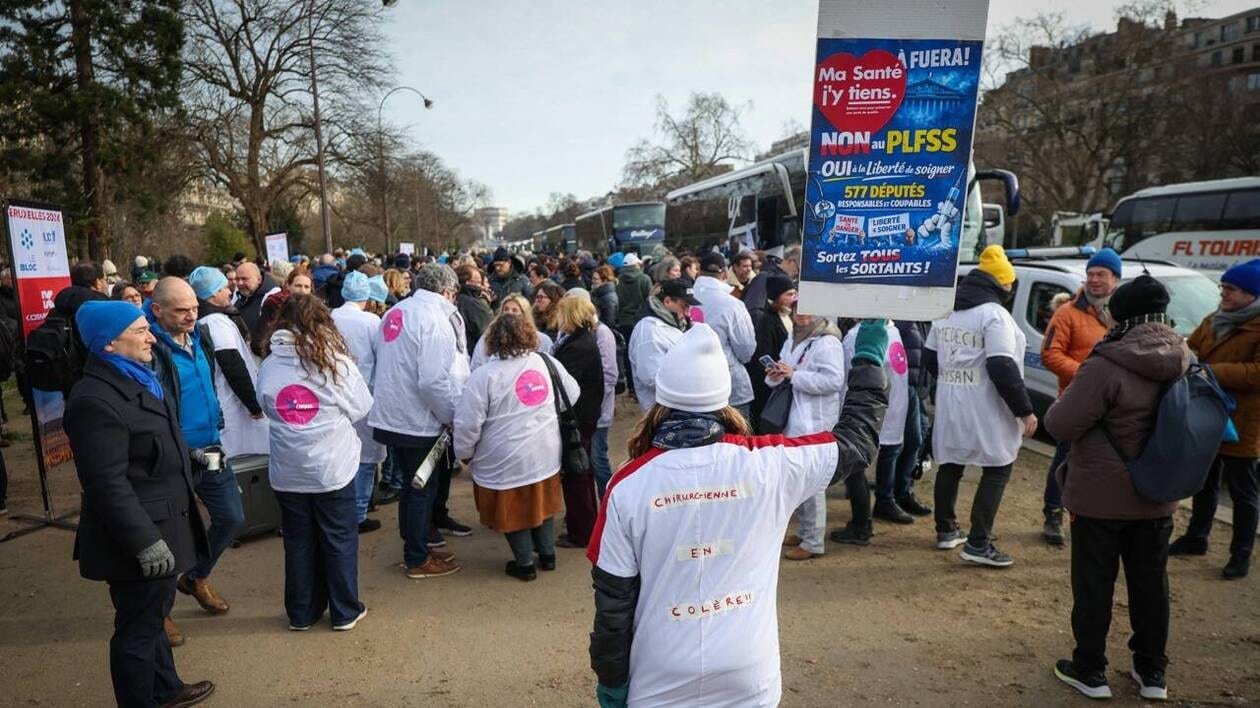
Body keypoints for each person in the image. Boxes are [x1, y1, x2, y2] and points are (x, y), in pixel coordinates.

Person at [586, 322, 887, 707]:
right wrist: (867, 360)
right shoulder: (770, 465)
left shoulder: (626, 486)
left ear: (661, 401)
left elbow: (613, 602)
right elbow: (857, 441)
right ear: (724, 401)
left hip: (658, 674)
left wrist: (611, 680)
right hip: (750, 673)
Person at [65, 300, 215, 708]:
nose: (151, 336)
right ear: (108, 344)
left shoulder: (138, 378)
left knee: (154, 615)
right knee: (137, 629)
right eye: (139, 330)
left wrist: (189, 455)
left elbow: (152, 438)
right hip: (139, 539)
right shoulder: (94, 400)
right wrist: (144, 542)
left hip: (165, 523)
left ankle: (165, 689)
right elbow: (106, 484)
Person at [1045, 275, 1185, 701]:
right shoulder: (1182, 355)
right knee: (1151, 585)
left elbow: (1059, 424)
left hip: (1100, 499)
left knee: (1094, 584)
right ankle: (1152, 673)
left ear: (1119, 314)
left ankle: (1090, 670)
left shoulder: (1107, 363)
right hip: (1158, 492)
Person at [258, 295, 372, 631]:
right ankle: (344, 610)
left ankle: (302, 612)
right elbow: (362, 406)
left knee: (297, 541)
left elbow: (266, 405)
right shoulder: (335, 364)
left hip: (288, 470)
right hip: (331, 468)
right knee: (338, 538)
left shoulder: (269, 364)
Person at [925, 246, 1037, 568]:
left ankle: (946, 529)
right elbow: (1002, 366)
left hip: (951, 401)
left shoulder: (946, 311)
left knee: (951, 461)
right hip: (986, 405)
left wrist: (955, 378)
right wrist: (1024, 410)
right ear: (1003, 285)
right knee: (998, 466)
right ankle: (977, 542)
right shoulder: (994, 316)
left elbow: (932, 360)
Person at [147, 277, 241, 644]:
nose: (190, 316)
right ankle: (162, 611)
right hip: (175, 458)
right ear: (158, 311)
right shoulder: (151, 348)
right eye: (181, 310)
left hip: (211, 449)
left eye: (194, 308)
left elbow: (208, 381)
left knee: (232, 517)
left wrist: (215, 414)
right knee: (171, 535)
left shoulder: (201, 335)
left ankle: (196, 576)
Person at [454, 313, 580, 581]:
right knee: (542, 500)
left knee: (510, 507)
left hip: (502, 456)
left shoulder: (484, 376)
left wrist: (463, 452)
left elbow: (467, 423)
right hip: (545, 450)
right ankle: (548, 555)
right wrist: (542, 413)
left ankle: (524, 563)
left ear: (493, 340)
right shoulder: (545, 362)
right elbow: (572, 392)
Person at [368, 264, 467, 579]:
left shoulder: (397, 311)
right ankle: (416, 557)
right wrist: (451, 416)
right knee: (422, 487)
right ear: (448, 291)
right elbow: (432, 382)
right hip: (418, 420)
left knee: (413, 488)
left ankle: (417, 543)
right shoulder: (435, 319)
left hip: (393, 416)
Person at [1172, 258, 1260, 580]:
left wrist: (1210, 371)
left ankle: (1241, 555)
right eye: (1223, 286)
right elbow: (1192, 347)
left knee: (1243, 492)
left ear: (1251, 294)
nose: (1223, 292)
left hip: (1244, 422)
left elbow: (1257, 373)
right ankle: (1197, 537)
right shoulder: (1214, 319)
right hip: (1208, 414)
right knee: (1204, 482)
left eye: (1231, 289)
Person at [1038, 248, 1122, 546]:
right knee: (1064, 460)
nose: (1094, 280)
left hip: (1114, 407)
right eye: (1090, 274)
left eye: (1101, 274)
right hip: (1075, 401)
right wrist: (1088, 378)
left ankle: (1096, 517)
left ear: (1116, 279)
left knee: (1105, 463)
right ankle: (1053, 513)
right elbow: (1050, 354)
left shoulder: (1121, 314)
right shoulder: (1067, 313)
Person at [767, 310, 847, 560]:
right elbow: (784, 369)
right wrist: (775, 375)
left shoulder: (828, 342)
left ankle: (813, 541)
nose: (801, 315)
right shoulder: (793, 338)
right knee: (797, 479)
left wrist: (795, 376)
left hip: (815, 421)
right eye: (796, 310)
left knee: (813, 483)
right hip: (794, 418)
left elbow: (834, 381)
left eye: (807, 311)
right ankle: (804, 530)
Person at [188, 267, 270, 459]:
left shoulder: (205, 321)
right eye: (224, 287)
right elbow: (232, 365)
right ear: (213, 293)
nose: (229, 291)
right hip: (234, 409)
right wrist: (254, 405)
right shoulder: (216, 322)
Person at [331, 272, 386, 533]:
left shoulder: (330, 318)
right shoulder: (371, 322)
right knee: (366, 456)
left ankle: (343, 508)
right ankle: (359, 511)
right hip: (365, 393)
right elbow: (382, 357)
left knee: (340, 452)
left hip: (333, 395)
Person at [550, 296, 604, 548]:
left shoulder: (578, 346)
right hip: (584, 415)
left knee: (577, 474)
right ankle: (586, 525)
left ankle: (581, 531)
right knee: (582, 471)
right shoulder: (580, 340)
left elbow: (565, 385)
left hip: (578, 417)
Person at [847, 320, 910, 526]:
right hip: (867, 410)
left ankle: (884, 501)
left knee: (889, 453)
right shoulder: (857, 336)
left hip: (891, 406)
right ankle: (862, 521)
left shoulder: (892, 330)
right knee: (856, 463)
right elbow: (847, 374)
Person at [870, 320, 933, 521]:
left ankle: (901, 491)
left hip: (913, 386)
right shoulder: (903, 319)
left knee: (913, 441)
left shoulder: (926, 318)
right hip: (902, 386)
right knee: (894, 444)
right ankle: (886, 498)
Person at [691, 252, 756, 420]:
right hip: (730, 385)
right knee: (738, 442)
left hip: (694, 384)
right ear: (725, 274)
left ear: (699, 272)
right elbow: (746, 349)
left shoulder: (686, 298)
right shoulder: (733, 305)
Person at [628, 279, 697, 412]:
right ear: (667, 302)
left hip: (676, 407)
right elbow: (652, 378)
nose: (688, 313)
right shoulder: (649, 331)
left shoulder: (673, 323)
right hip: (662, 412)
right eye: (684, 306)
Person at [749, 276, 797, 431]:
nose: (793, 298)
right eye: (788, 294)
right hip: (770, 385)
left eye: (794, 293)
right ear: (777, 297)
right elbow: (764, 354)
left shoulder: (789, 316)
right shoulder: (768, 321)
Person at [614, 253, 652, 397]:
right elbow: (650, 301)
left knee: (628, 356)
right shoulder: (644, 279)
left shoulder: (617, 282)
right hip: (641, 321)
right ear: (637, 264)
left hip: (624, 322)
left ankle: (632, 388)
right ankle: (642, 388)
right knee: (642, 355)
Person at [743, 245, 801, 330]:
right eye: (799, 270)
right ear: (791, 261)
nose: (798, 275)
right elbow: (753, 311)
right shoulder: (765, 277)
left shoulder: (771, 275)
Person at [454, 264, 493, 354]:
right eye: (478, 282)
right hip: (472, 353)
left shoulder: (451, 299)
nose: (482, 286)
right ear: (468, 282)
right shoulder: (474, 305)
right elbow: (488, 334)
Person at [232, 262, 280, 333]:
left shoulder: (272, 297)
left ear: (259, 280)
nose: (240, 283)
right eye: (237, 279)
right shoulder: (237, 293)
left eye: (244, 279)